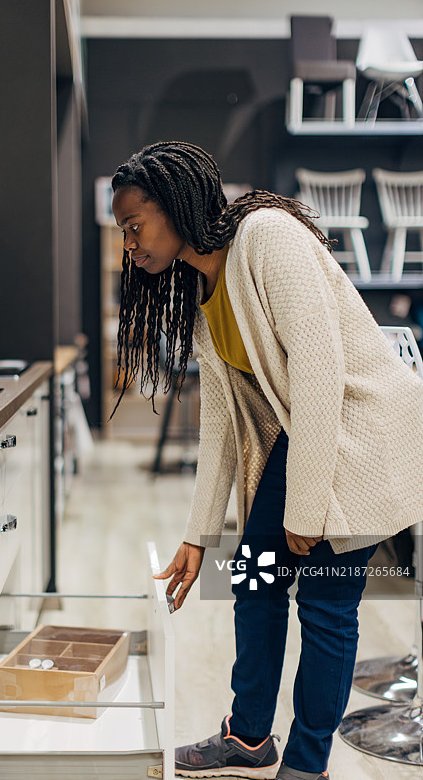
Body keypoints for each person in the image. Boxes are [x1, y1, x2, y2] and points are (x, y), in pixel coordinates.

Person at [110, 141, 423, 780]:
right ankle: (249, 736)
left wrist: (305, 511)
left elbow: (319, 372)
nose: (130, 244)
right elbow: (222, 425)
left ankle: (307, 766)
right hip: (306, 440)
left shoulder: (268, 237)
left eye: (134, 225)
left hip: (359, 438)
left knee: (327, 607)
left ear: (171, 207)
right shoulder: (203, 291)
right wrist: (198, 537)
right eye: (124, 232)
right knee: (254, 582)